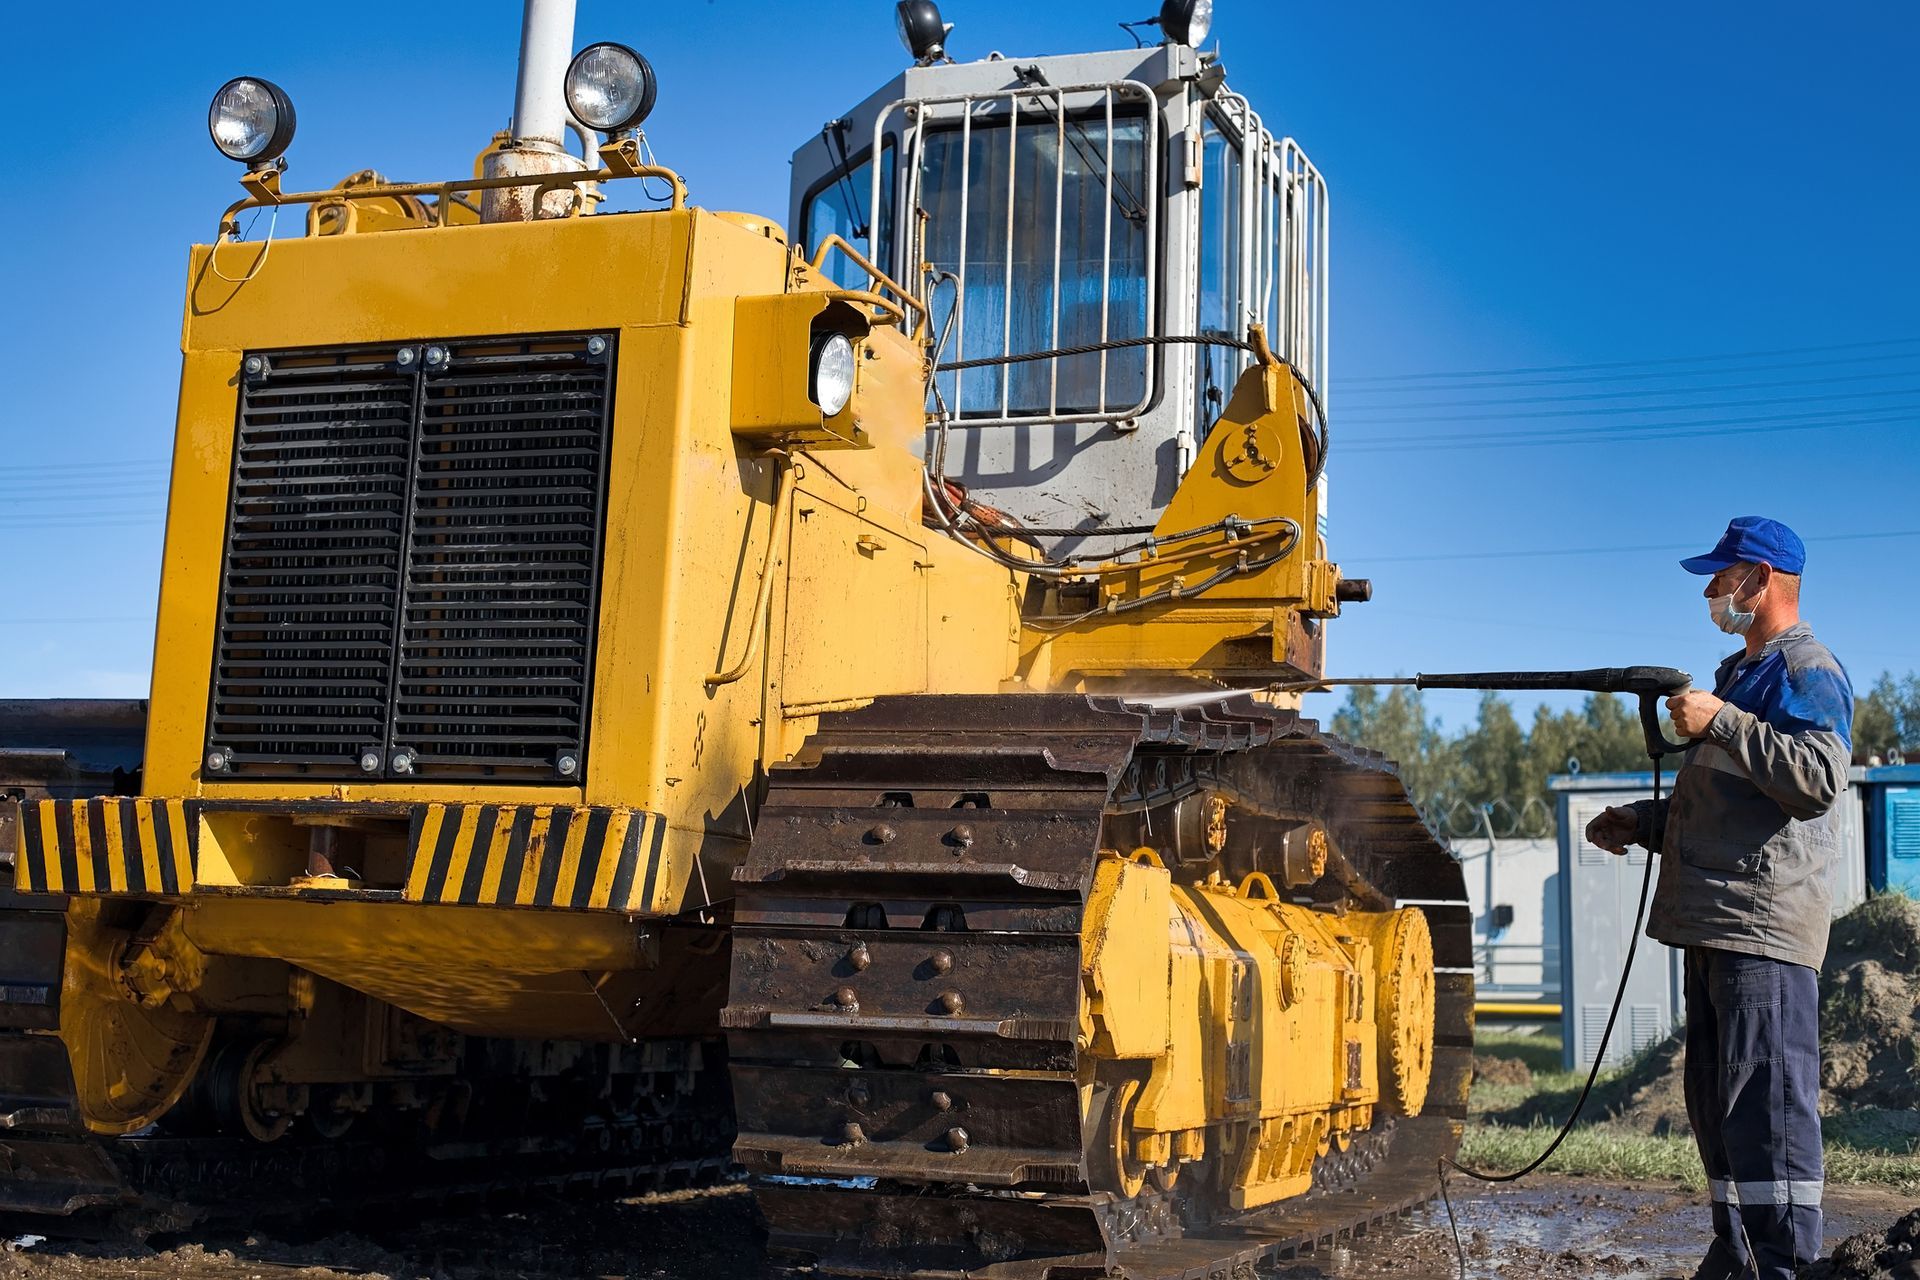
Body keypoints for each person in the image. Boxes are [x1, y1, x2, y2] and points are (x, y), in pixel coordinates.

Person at [1585, 517, 1851, 1280]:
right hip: (1718, 921)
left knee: (1766, 1108)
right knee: (1719, 1106)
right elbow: (1730, 806)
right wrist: (1642, 823)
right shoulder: (1740, 671)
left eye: (1722, 575)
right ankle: (1736, 1257)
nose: (1710, 591)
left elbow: (1816, 781)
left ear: (1761, 580)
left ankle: (1786, 1265)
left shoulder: (1808, 669)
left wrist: (1723, 722)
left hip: (1762, 926)